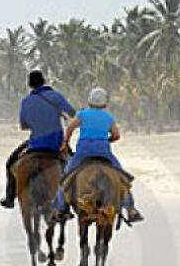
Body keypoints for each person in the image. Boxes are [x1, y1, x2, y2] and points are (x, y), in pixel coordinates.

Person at [53, 87, 144, 223]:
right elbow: (116, 135)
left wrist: (65, 142)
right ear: (105, 103)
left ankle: (60, 209)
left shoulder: (82, 114)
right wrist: (107, 140)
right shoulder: (108, 117)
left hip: (83, 152)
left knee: (65, 177)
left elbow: (70, 127)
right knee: (121, 178)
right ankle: (131, 209)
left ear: (89, 100)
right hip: (103, 152)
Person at [0, 69, 75, 208]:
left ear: (30, 84)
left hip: (35, 143)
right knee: (73, 164)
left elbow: (24, 125)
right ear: (43, 81)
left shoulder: (26, 101)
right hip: (56, 142)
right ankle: (70, 201)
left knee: (11, 163)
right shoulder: (56, 96)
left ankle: (9, 197)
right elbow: (72, 112)